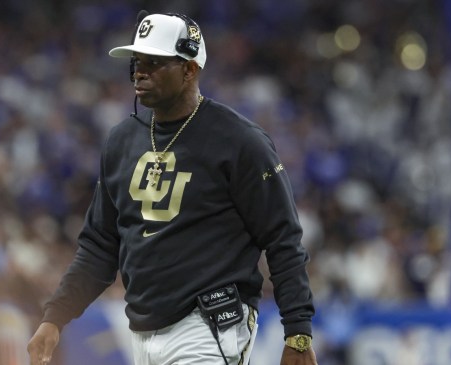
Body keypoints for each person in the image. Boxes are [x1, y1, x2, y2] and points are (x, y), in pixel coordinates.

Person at [27, 11, 318, 365]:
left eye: (154, 62)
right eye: (136, 61)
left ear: (189, 69)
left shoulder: (240, 141)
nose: (140, 71)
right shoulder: (122, 140)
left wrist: (298, 332)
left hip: (211, 324)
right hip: (141, 331)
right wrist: (55, 316)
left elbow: (282, 239)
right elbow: (100, 246)